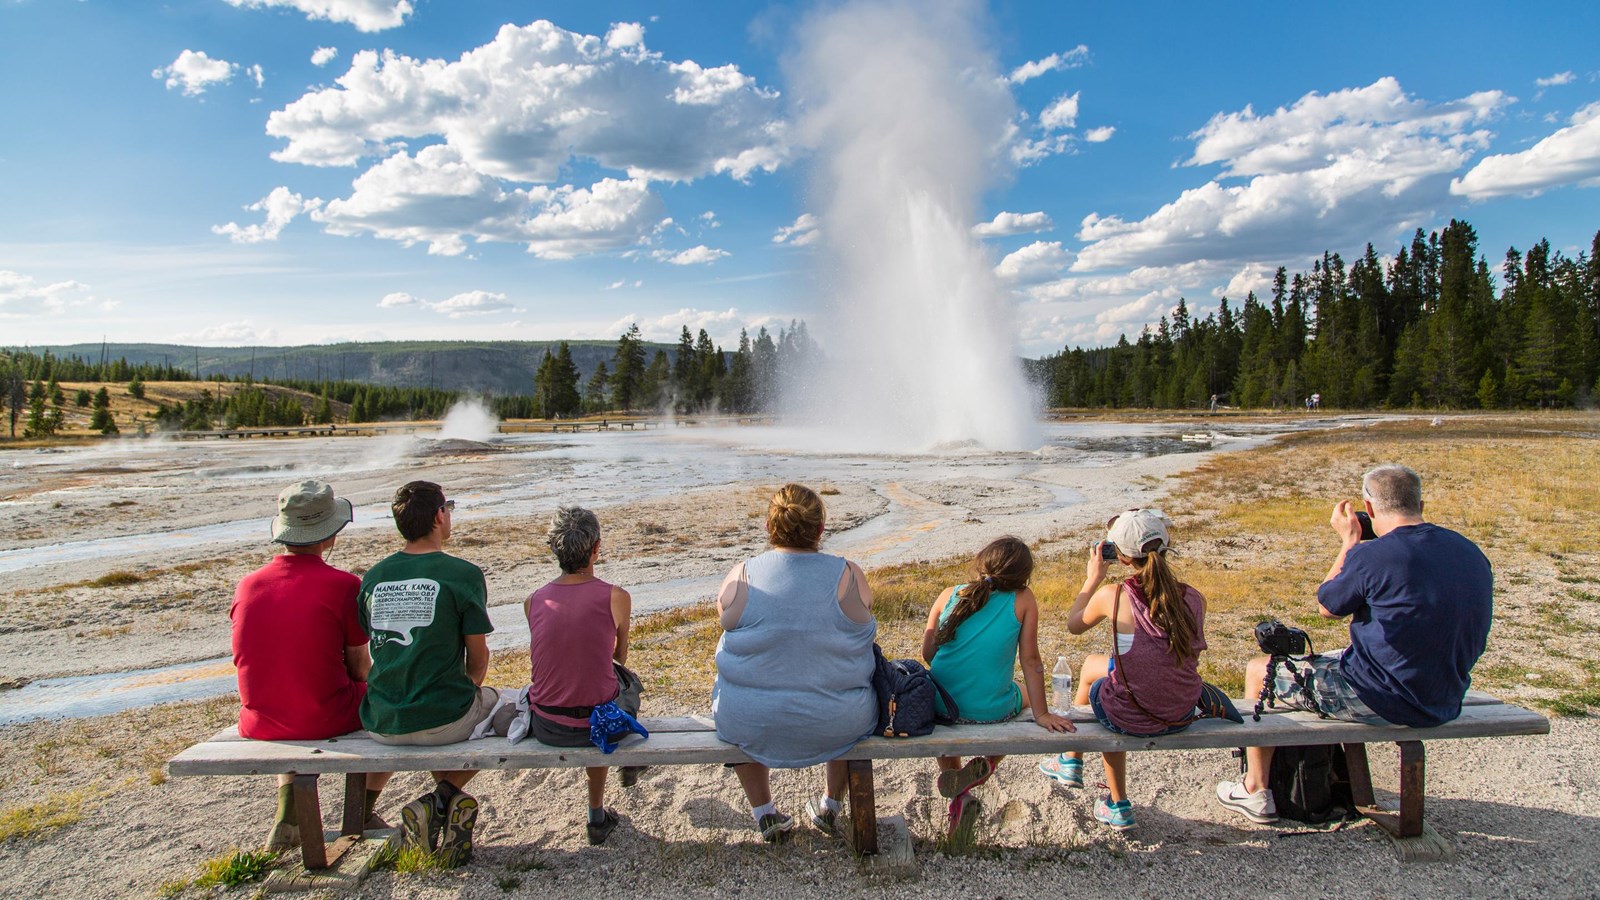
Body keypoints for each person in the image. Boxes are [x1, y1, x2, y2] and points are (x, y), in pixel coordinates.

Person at [1218, 464, 1492, 824]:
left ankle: (1255, 791)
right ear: (1420, 503)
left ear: (1370, 507)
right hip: (1444, 693)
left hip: (1386, 698)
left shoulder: (1372, 555)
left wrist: (1349, 542)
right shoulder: (1468, 551)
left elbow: (1327, 606)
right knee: (1330, 658)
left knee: (1259, 670)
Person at [231, 480, 392, 852]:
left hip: (259, 718)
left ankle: (288, 816)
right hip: (322, 715)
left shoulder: (248, 585)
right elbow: (359, 667)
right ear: (330, 535)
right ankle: (363, 811)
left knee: (295, 690)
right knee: (396, 702)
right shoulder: (343, 585)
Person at [711, 483, 877, 842]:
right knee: (838, 687)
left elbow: (724, 616)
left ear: (770, 528)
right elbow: (866, 611)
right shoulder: (848, 574)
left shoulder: (742, 573)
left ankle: (764, 812)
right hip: (838, 718)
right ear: (820, 530)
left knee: (736, 696)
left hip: (749, 719)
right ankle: (830, 807)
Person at [1039, 509, 1209, 830]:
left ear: (1121, 557)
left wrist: (1093, 578)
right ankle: (1071, 760)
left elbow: (1074, 625)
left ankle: (1112, 797)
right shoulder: (1194, 598)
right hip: (1182, 711)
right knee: (1095, 665)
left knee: (1110, 692)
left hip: (1132, 714)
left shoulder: (1113, 596)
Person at [358, 481, 498, 866]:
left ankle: (364, 811)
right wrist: (467, 689)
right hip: (443, 718)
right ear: (439, 516)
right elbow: (478, 658)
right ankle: (440, 799)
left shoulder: (374, 577)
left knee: (421, 705)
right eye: (447, 508)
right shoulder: (462, 574)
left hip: (381, 719)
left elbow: (369, 644)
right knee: (505, 708)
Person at [922, 536, 1073, 835]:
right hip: (990, 709)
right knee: (1023, 695)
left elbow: (928, 655)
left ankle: (960, 796)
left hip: (941, 705)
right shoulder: (1023, 599)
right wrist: (1042, 716)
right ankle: (986, 766)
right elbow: (1031, 661)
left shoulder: (949, 594)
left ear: (980, 562)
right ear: (1023, 576)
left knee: (945, 720)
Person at [524, 505, 644, 846]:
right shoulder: (616, 596)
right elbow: (619, 657)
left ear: (553, 548)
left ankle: (597, 813)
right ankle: (596, 812)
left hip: (547, 724)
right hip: (595, 724)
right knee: (623, 686)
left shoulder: (533, 600)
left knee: (591, 691)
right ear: (596, 548)